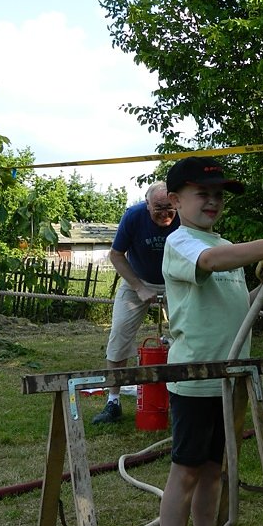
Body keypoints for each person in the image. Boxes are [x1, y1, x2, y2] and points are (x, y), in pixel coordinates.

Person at [153, 156, 263, 526]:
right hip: (195, 380)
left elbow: (237, 308)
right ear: (175, 200)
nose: (213, 201)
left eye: (218, 195)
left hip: (229, 380)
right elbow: (210, 263)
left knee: (214, 474)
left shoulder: (225, 245)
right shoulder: (181, 242)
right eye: (203, 193)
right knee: (186, 474)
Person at [92, 182, 180, 424]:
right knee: (119, 334)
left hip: (176, 282)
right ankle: (113, 402)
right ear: (146, 204)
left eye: (170, 207)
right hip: (137, 281)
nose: (165, 213)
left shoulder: (185, 216)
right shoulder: (133, 216)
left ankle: (182, 400)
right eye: (158, 208)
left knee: (186, 336)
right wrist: (139, 287)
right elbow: (116, 255)